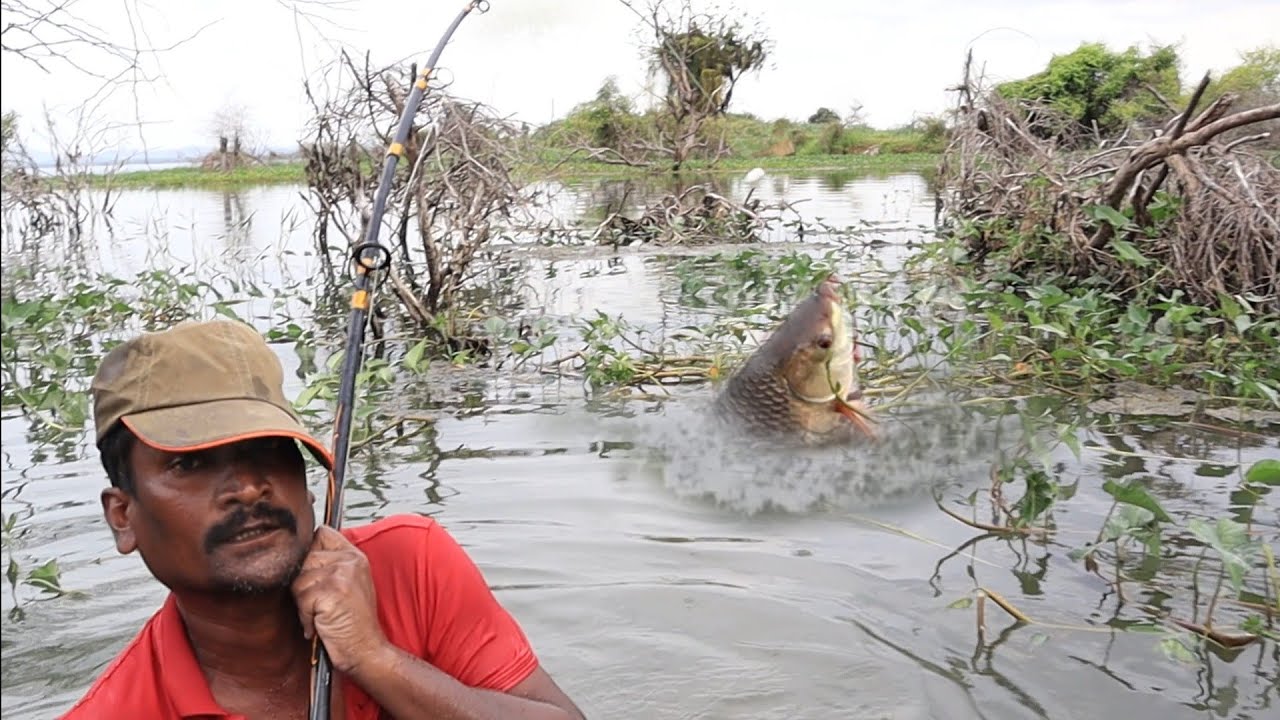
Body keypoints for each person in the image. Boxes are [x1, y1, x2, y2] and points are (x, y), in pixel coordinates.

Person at [60, 319, 586, 720]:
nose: (248, 487)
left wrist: (375, 660)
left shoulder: (410, 563)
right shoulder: (122, 708)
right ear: (122, 517)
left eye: (268, 449)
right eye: (190, 463)